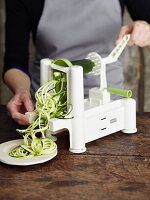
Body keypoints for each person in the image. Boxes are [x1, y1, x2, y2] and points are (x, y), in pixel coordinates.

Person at [3, 0, 150, 125]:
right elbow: (15, 62)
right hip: (49, 108)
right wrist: (22, 91)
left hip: (109, 104)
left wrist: (146, 31)